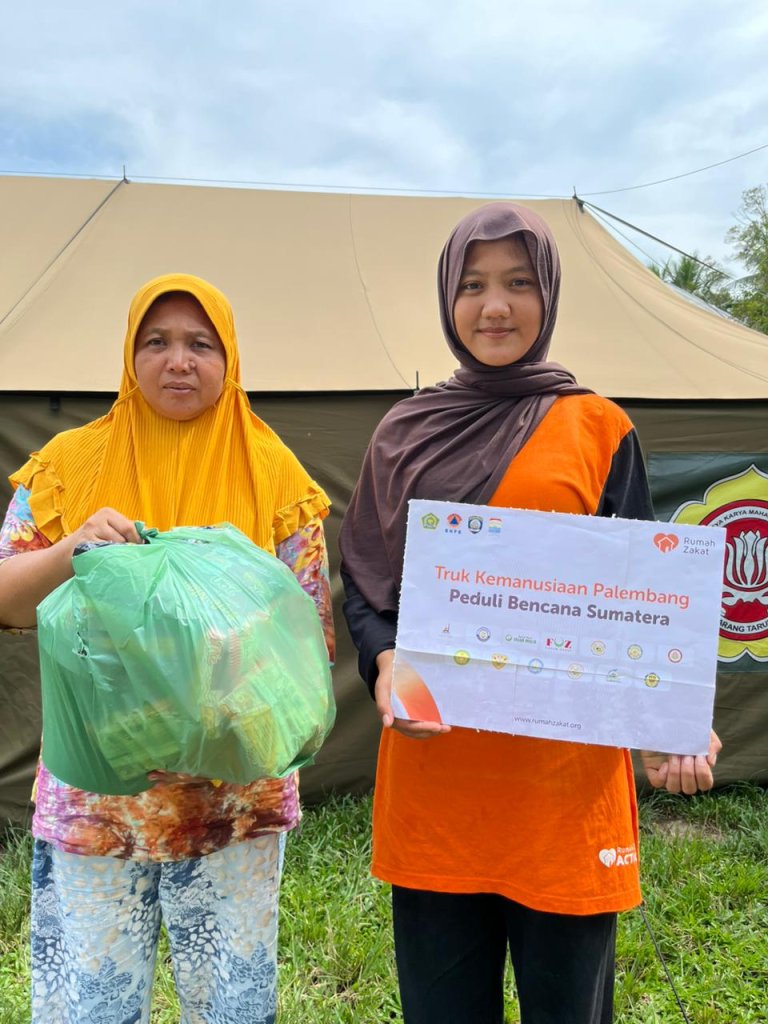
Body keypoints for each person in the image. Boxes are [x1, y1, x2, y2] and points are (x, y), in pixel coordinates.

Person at [339, 202, 721, 1024]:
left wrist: (677, 717)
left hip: (564, 796)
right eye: (472, 285)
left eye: (518, 283)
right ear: (448, 298)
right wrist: (386, 664)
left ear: (548, 293)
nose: (495, 306)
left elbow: (645, 598)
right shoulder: (404, 432)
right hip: (438, 789)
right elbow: (366, 586)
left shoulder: (600, 428)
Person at [0, 273, 334, 1024]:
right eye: (156, 342)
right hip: (100, 797)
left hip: (232, 798)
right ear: (129, 355)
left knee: (231, 1007)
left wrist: (211, 710)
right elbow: (5, 598)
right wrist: (73, 547)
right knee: (91, 1005)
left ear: (230, 357)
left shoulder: (274, 474)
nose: (178, 360)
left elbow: (308, 644)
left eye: (200, 344)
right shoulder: (68, 467)